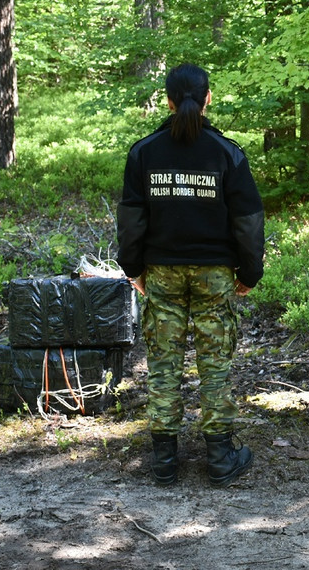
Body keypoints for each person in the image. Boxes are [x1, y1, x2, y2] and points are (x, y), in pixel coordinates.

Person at [116, 63, 265, 487]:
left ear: (167, 100)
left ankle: (164, 460)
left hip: (161, 272)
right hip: (215, 274)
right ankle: (220, 457)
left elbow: (131, 221)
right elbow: (248, 221)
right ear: (208, 98)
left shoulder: (144, 151)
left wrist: (134, 270)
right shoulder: (226, 153)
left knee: (162, 362)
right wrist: (249, 272)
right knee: (214, 363)